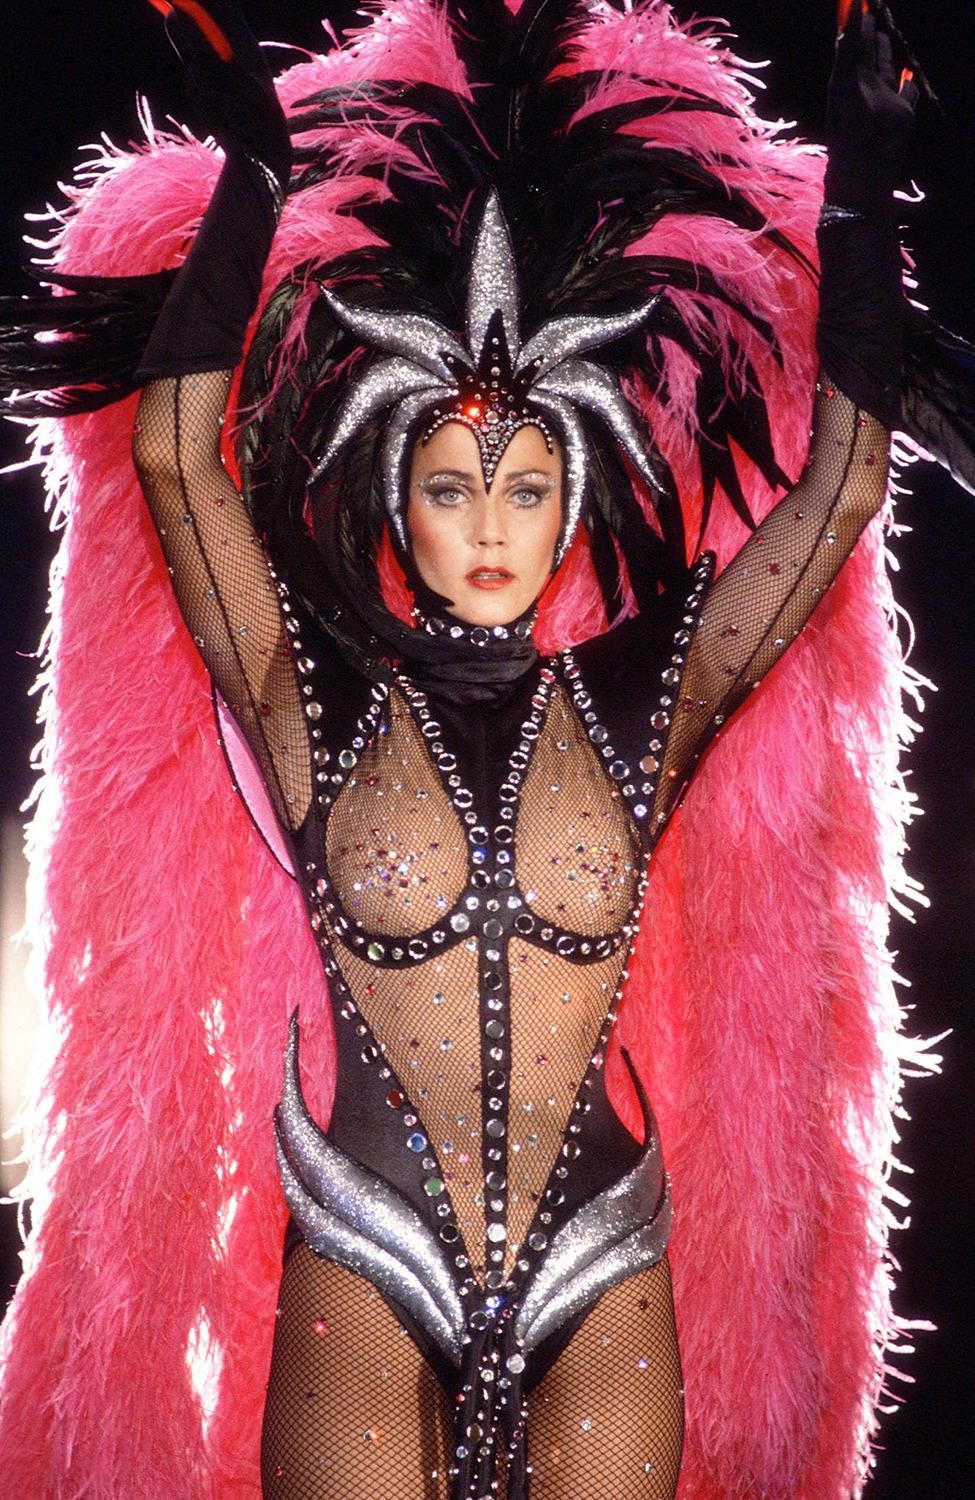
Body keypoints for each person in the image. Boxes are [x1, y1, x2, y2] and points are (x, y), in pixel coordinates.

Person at [0, 1, 971, 1497]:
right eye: (454, 486)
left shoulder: (652, 688)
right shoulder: (310, 690)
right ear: (399, 499)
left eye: (528, 488)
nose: (493, 526)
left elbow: (839, 490)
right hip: (368, 1254)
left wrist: (857, 200)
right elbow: (178, 461)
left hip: (603, 1259)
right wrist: (252, 176)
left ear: (576, 501)